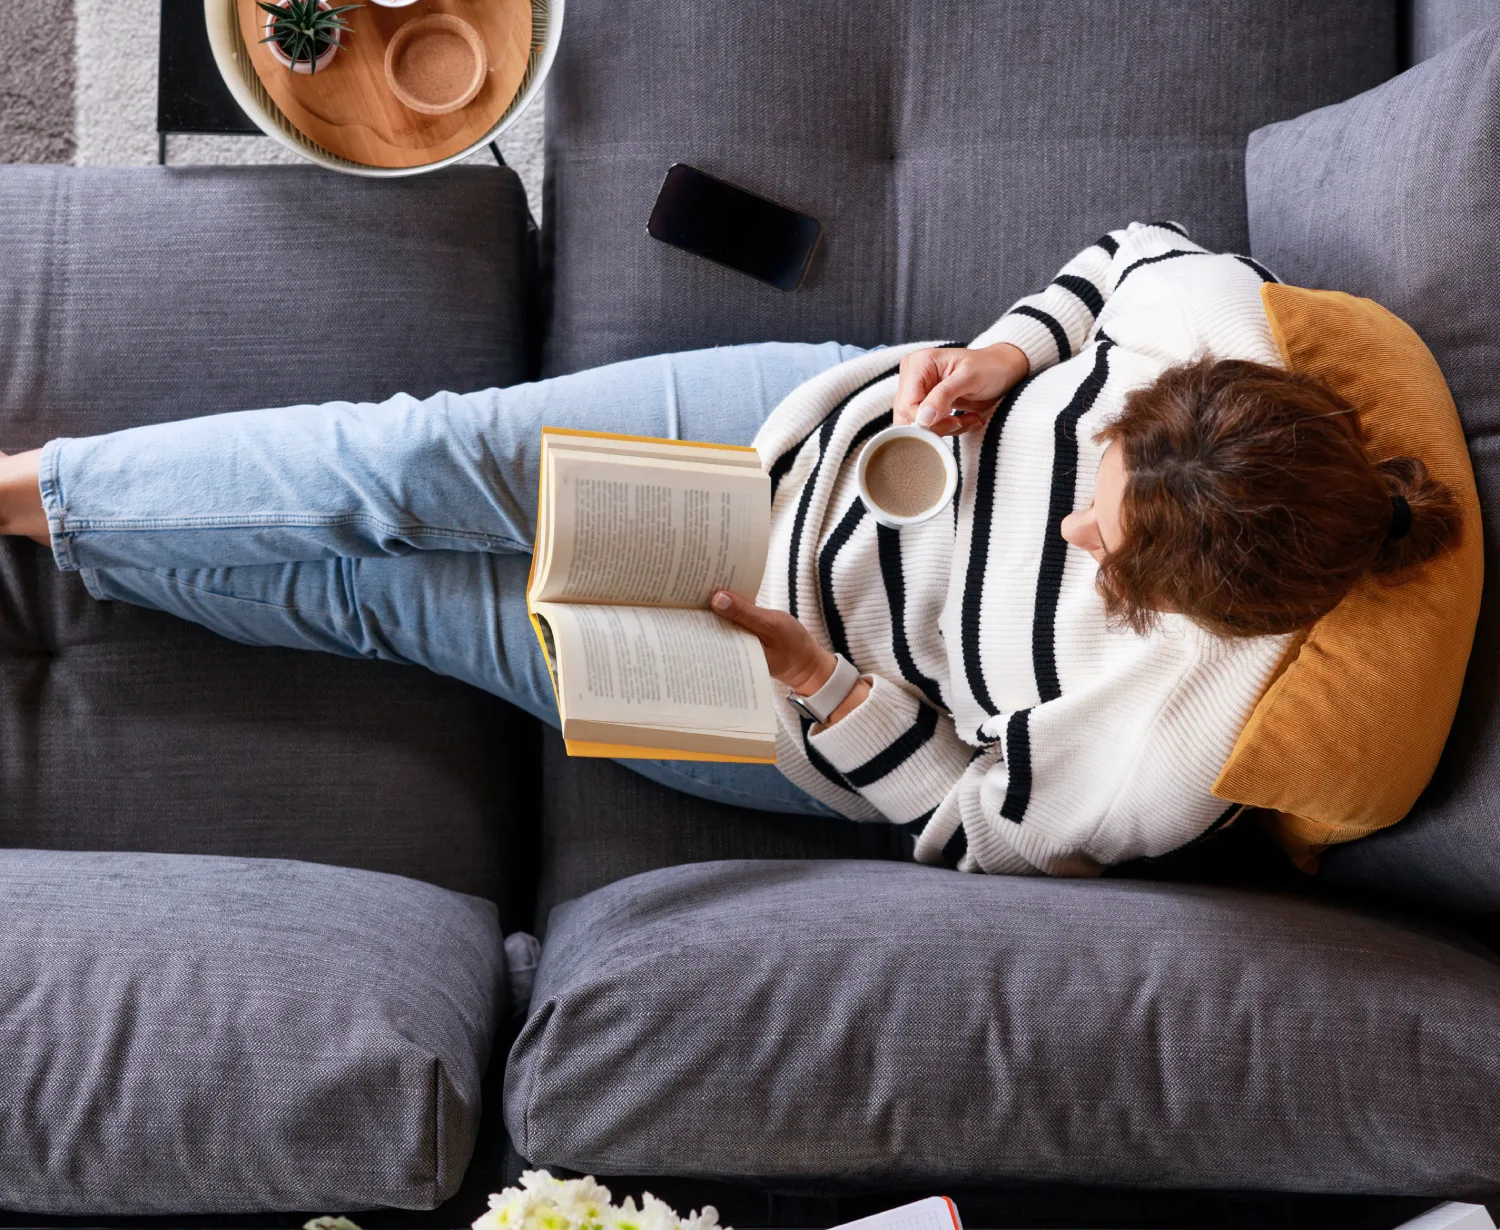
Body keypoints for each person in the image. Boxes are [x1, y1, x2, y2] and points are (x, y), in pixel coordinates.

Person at [0, 223, 1460, 875]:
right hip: (782, 438)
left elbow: (970, 823)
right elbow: (1129, 256)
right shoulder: (1217, 336)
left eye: (1104, 545)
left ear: (1188, 607)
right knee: (408, 459)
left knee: (385, 604)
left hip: (766, 684)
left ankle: (77, 542)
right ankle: (24, 494)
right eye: (1105, 461)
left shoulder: (1169, 749)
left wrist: (825, 683)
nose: (1078, 510)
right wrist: (1011, 356)